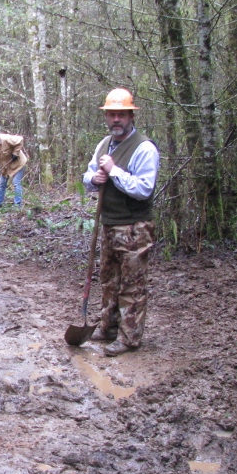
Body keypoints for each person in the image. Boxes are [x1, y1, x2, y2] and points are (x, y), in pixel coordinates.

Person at [82, 88, 160, 357]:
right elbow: (89, 176)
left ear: (131, 116)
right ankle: (108, 326)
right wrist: (94, 180)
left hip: (135, 227)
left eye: (121, 114)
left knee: (132, 285)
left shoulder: (144, 148)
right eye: (111, 114)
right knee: (109, 279)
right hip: (109, 223)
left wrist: (114, 171)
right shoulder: (104, 145)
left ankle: (129, 338)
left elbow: (144, 189)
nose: (116, 119)